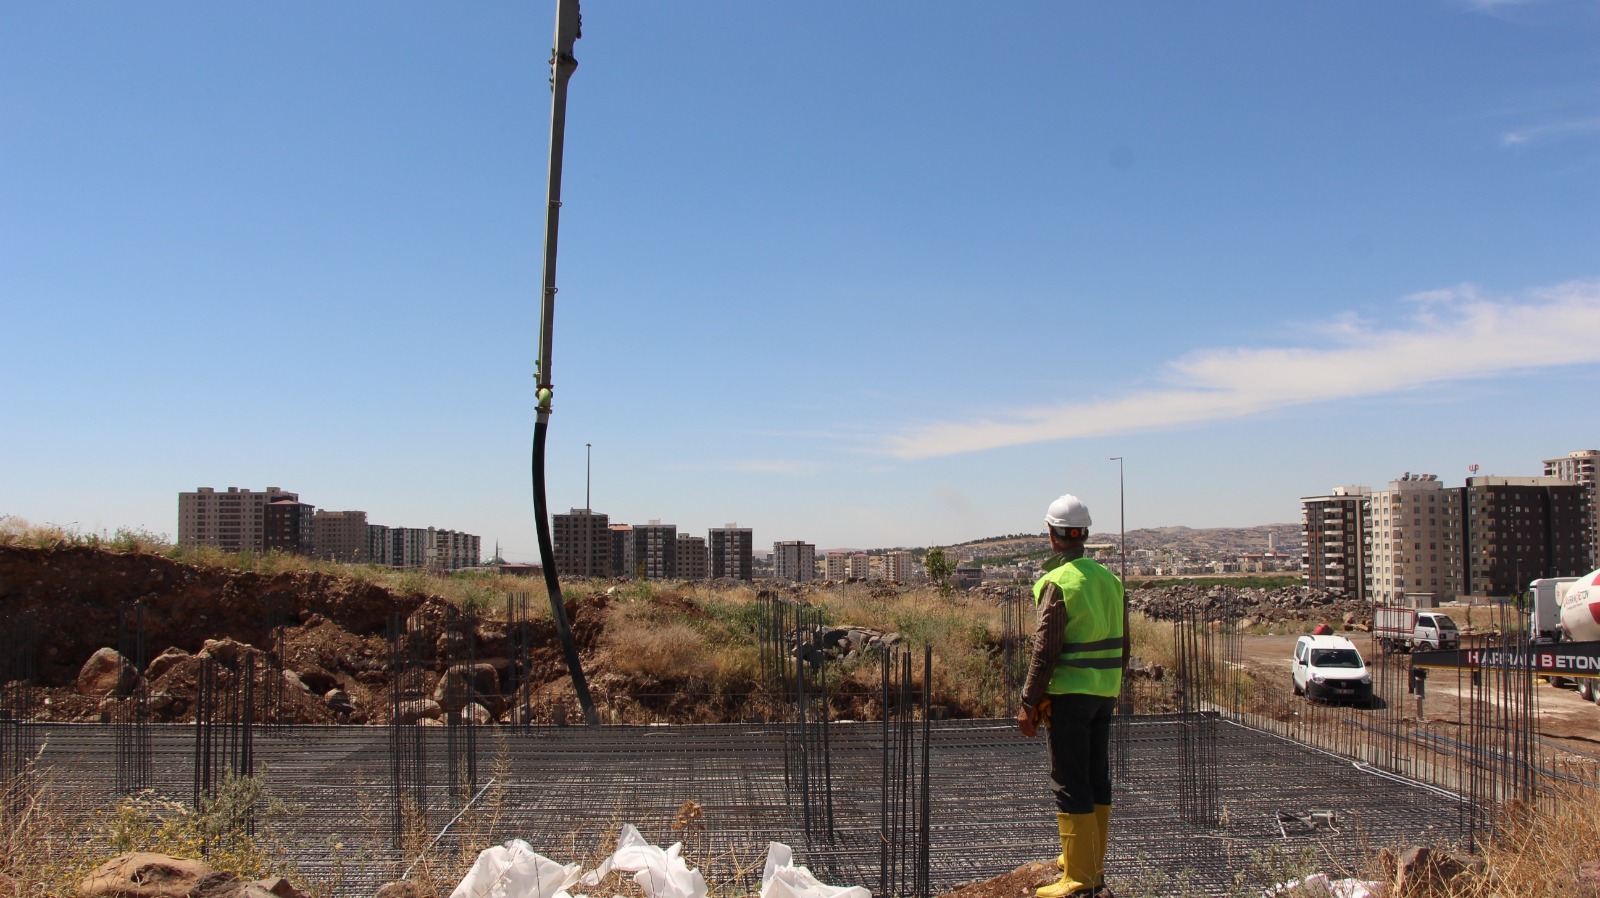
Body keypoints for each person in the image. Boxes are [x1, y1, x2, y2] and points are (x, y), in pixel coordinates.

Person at [1017, 494, 1129, 898]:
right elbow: (1124, 645)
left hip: (1068, 697)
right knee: (1096, 776)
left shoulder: (1057, 582)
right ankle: (1088, 861)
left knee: (1069, 781)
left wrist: (1029, 703)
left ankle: (1080, 876)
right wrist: (1111, 687)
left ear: (1052, 536)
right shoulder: (1110, 581)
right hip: (1104, 693)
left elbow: (1045, 649)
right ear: (1084, 534)